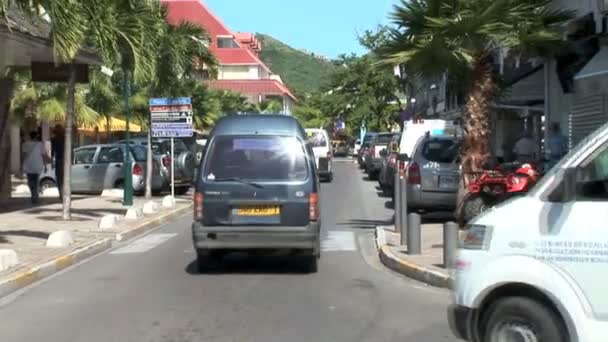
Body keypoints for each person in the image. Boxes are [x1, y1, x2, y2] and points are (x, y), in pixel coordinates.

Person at [22, 131, 49, 205]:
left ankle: (33, 195)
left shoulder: (25, 144)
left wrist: (22, 165)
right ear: (36, 136)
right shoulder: (40, 145)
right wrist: (45, 166)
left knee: (30, 182)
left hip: (28, 165)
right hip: (37, 165)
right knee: (36, 182)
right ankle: (35, 196)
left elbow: (23, 156)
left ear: (30, 136)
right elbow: (43, 155)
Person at [51, 124, 66, 201]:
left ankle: (61, 194)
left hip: (59, 160)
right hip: (65, 160)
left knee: (59, 179)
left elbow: (52, 152)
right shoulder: (65, 139)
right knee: (64, 179)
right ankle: (64, 194)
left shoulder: (54, 139)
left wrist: (51, 161)